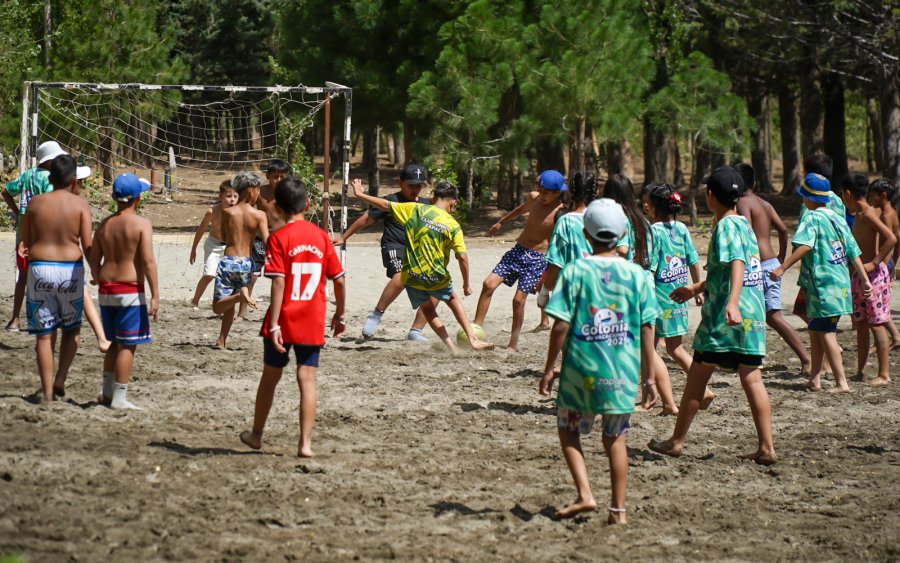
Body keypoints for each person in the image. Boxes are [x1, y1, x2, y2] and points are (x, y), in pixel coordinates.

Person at [539, 198, 656, 523]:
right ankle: (618, 510)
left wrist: (549, 368)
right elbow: (648, 328)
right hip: (622, 373)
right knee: (616, 438)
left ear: (586, 235)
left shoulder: (576, 271)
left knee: (569, 430)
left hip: (580, 371)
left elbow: (560, 324)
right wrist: (649, 378)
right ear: (622, 234)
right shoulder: (636, 274)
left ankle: (585, 493)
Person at [649, 166, 775, 465]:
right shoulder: (743, 224)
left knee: (697, 375)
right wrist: (695, 287)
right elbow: (726, 270)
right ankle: (767, 447)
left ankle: (677, 441)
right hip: (752, 312)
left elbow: (737, 263)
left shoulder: (727, 226)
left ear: (710, 195)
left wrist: (731, 302)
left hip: (725, 314)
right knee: (752, 377)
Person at [239, 177, 346, 457]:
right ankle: (305, 444)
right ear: (308, 204)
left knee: (270, 378)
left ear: (277, 207)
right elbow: (339, 279)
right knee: (307, 379)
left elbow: (278, 282)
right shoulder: (322, 237)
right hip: (312, 318)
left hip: (284, 318)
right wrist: (340, 313)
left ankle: (257, 435)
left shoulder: (279, 238)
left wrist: (273, 323)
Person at [351, 178, 494, 353]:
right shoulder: (452, 225)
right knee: (453, 299)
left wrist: (360, 194)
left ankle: (451, 347)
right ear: (453, 202)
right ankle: (473, 339)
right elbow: (462, 257)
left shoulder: (415, 209)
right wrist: (466, 284)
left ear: (435, 199)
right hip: (435, 274)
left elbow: (384, 204)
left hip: (412, 275)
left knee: (427, 309)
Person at [771, 173, 871, 392]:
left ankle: (841, 382)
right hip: (839, 284)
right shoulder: (838, 217)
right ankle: (815, 379)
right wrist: (864, 279)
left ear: (808, 198)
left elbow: (805, 245)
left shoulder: (812, 218)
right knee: (816, 330)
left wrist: (783, 267)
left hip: (823, 285)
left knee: (826, 333)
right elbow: (853, 251)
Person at [18, 154, 93, 402]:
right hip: (69, 269)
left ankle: (47, 391)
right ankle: (60, 378)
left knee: (44, 334)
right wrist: (98, 271)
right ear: (73, 180)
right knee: (71, 331)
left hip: (40, 267)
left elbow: (25, 242)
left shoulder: (36, 203)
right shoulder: (81, 206)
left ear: (50, 178)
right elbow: (88, 245)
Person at [602, 174, 676, 411]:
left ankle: (665, 401)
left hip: (627, 284)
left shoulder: (616, 219)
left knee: (637, 348)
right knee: (646, 347)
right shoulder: (643, 220)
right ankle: (654, 399)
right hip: (647, 282)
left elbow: (621, 251)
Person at [334, 164, 430, 341]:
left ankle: (415, 331)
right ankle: (376, 315)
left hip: (417, 252)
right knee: (402, 276)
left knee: (435, 288)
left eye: (419, 186)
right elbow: (365, 219)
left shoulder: (426, 205)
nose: (415, 189)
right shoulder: (390, 200)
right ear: (401, 183)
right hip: (394, 246)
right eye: (411, 185)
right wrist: (344, 237)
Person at [474, 170, 566, 351]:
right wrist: (501, 222)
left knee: (518, 300)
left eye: (546, 193)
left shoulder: (561, 212)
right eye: (540, 190)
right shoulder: (535, 198)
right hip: (518, 251)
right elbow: (520, 210)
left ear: (557, 193)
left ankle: (513, 344)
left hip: (538, 259)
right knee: (488, 284)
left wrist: (550, 270)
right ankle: (475, 329)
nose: (541, 195)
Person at [90, 173, 159, 409]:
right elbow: (148, 261)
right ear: (138, 198)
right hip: (129, 289)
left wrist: (96, 276)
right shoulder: (142, 224)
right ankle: (119, 396)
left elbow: (93, 256)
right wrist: (155, 295)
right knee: (128, 344)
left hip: (107, 288)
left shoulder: (105, 225)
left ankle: (106, 390)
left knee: (112, 342)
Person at [735, 162, 811, 375]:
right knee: (773, 316)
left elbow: (746, 234)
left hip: (755, 265)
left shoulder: (741, 203)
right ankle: (805, 359)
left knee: (747, 311)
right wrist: (780, 257)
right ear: (755, 183)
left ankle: (746, 357)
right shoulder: (765, 204)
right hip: (771, 263)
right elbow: (783, 230)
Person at [645, 183, 703, 415]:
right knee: (671, 347)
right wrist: (696, 289)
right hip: (681, 296)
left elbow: (649, 268)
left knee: (660, 348)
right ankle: (665, 402)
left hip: (660, 297)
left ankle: (697, 391)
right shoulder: (681, 228)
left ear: (655, 206)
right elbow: (693, 259)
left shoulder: (654, 231)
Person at [2, 140, 67, 331]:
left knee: (22, 275)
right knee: (48, 274)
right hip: (43, 233)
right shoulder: (50, 178)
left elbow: (6, 192)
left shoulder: (26, 175)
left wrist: (16, 212)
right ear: (48, 161)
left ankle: (15, 319)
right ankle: (47, 315)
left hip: (24, 233)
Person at [839, 174, 895, 386]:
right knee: (861, 324)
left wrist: (875, 262)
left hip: (873, 277)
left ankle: (884, 374)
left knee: (877, 324)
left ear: (848, 194)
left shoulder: (870, 214)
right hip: (859, 276)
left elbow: (891, 238)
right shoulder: (858, 215)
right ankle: (861, 370)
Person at [213, 172, 269, 348]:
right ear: (251, 191)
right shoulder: (259, 215)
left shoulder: (227, 212)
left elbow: (223, 237)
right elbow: (268, 242)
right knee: (229, 305)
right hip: (246, 263)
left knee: (218, 307)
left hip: (228, 261)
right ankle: (222, 340)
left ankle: (239, 296)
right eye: (258, 190)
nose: (259, 193)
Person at [793, 154, 846, 323]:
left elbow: (804, 237)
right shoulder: (838, 201)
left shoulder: (809, 203)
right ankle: (827, 343)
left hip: (813, 269)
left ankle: (831, 346)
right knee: (823, 315)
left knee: (811, 314)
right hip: (835, 265)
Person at [242, 160, 290, 319]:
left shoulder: (290, 192)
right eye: (275, 176)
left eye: (282, 177)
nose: (278, 180)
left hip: (283, 241)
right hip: (259, 240)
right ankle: (242, 312)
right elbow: (246, 206)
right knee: (252, 276)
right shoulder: (259, 192)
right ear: (268, 176)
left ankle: (283, 311)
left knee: (283, 277)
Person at [189, 180, 239, 307]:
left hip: (230, 246)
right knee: (209, 275)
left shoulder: (239, 212)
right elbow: (200, 230)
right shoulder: (212, 211)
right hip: (214, 244)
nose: (232, 199)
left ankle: (223, 303)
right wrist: (193, 249)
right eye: (228, 196)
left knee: (228, 277)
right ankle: (195, 300)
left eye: (235, 196)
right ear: (220, 196)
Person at [867, 178, 900, 348]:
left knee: (875, 306)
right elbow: (898, 239)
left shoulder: (885, 215)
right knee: (880, 305)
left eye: (873, 196)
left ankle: (891, 338)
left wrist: (880, 264)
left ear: (883, 196)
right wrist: (894, 262)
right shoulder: (893, 212)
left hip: (880, 266)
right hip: (887, 264)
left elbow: (889, 240)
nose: (870, 199)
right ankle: (895, 336)